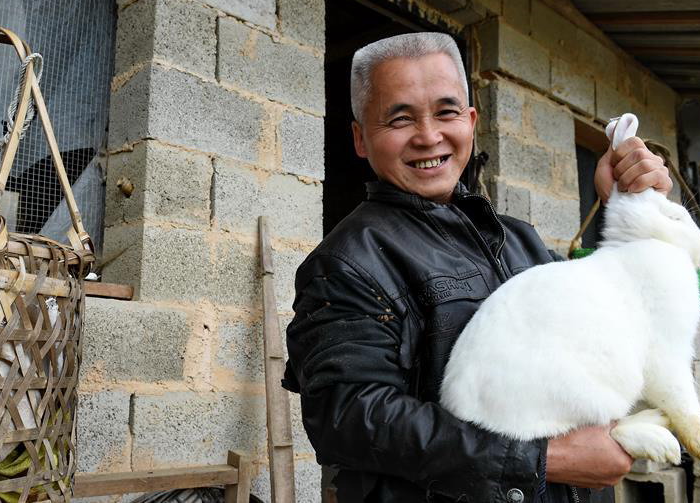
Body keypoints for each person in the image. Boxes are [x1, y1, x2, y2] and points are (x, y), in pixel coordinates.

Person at [282, 32, 673, 503]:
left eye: (446, 112)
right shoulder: (347, 262)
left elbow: (615, 317)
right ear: (361, 138)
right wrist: (545, 460)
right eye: (400, 118)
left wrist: (629, 210)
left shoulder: (520, 241)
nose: (428, 136)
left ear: (470, 121)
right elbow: (351, 419)